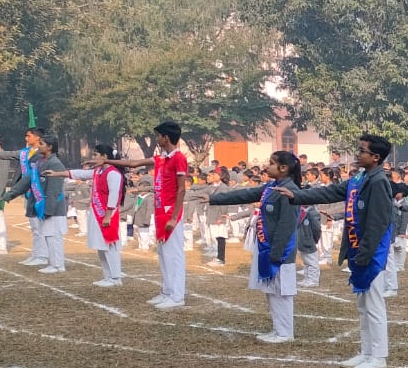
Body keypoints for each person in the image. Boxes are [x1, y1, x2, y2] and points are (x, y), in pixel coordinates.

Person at [284, 134, 397, 368]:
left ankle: (378, 356)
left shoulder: (378, 181)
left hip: (371, 253)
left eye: (362, 151)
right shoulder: (359, 178)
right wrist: (296, 196)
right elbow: (330, 193)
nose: (357, 154)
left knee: (374, 305)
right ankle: (366, 352)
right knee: (363, 306)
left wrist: (365, 254)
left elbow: (378, 223)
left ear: (375, 157)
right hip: (358, 250)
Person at [207, 151, 306, 342]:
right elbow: (246, 194)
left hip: (280, 251)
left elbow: (286, 226)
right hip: (267, 248)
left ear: (283, 168)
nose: (267, 167)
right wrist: (214, 199)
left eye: (271, 163)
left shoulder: (289, 190)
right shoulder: (272, 187)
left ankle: (285, 333)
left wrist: (276, 253)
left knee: (281, 291)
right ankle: (278, 329)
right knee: (271, 290)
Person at [117, 121, 191, 308]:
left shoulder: (178, 158)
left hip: (171, 212)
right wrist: (108, 161)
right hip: (160, 211)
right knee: (163, 254)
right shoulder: (162, 159)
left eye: (159, 136)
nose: (157, 139)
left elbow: (181, 189)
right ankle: (167, 291)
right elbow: (133, 163)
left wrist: (174, 217)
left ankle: (177, 296)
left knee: (174, 255)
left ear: (166, 137)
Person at [3, 132, 68, 274]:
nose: (38, 146)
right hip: (44, 206)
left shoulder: (55, 164)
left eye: (41, 144)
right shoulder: (39, 162)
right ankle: (54, 263)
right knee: (48, 235)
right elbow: (27, 181)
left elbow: (54, 190)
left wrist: (48, 210)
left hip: (54, 207)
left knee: (54, 236)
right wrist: (10, 195)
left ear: (49, 147)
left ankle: (58, 265)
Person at [67, 143, 125, 286]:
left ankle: (115, 277)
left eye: (95, 155)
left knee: (110, 245)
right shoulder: (98, 171)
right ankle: (107, 276)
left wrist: (107, 215)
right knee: (101, 246)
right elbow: (80, 174)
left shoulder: (113, 173)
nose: (93, 157)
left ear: (104, 156)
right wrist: (57, 174)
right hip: (97, 213)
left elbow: (113, 196)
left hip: (107, 214)